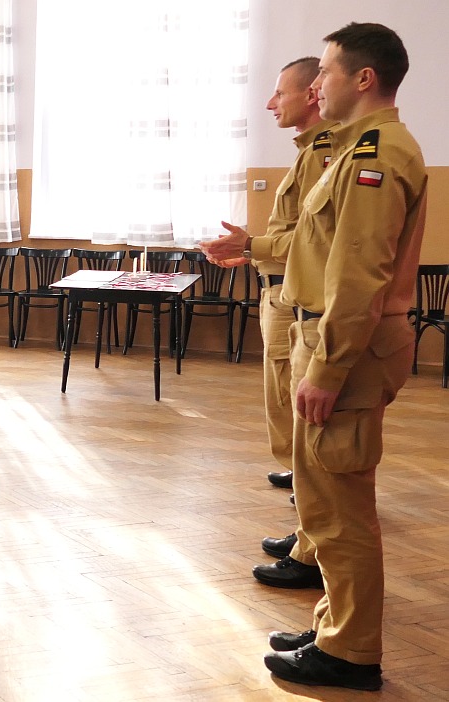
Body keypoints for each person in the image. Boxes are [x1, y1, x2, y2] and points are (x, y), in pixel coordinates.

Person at [203, 22, 424, 691]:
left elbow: (358, 276)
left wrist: (326, 369)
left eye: (324, 71)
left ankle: (351, 652)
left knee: (340, 506)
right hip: (329, 338)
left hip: (346, 351)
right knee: (325, 500)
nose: (316, 82)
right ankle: (336, 626)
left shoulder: (376, 156)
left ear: (363, 78)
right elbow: (317, 242)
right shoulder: (361, 148)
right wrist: (255, 247)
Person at [244, 59, 337, 592]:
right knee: (284, 405)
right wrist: (251, 250)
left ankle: (312, 541)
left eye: (281, 93)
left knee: (293, 406)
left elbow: (310, 239)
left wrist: (250, 245)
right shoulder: (310, 152)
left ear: (311, 95)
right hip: (283, 288)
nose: (270, 103)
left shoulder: (326, 152)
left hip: (297, 296)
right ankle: (307, 528)